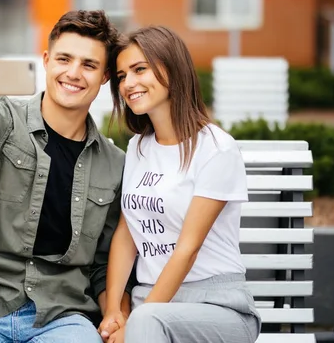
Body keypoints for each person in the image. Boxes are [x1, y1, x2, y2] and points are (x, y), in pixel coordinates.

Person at [0, 10, 135, 343]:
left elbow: (103, 268)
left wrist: (115, 317)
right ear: (47, 60)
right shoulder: (4, 119)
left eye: (89, 65)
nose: (74, 73)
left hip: (64, 315)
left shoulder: (114, 165)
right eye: (64, 59)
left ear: (105, 75)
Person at [97, 26, 262, 343]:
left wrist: (137, 322)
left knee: (144, 323)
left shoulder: (216, 148)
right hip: (152, 301)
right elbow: (127, 233)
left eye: (139, 69)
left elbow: (188, 249)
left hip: (216, 307)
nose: (129, 83)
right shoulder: (138, 147)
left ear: (173, 68)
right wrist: (114, 312)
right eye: (121, 76)